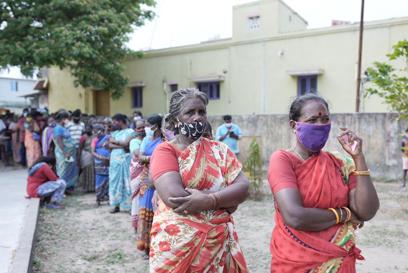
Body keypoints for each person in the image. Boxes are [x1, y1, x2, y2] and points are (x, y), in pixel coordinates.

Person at [267, 94, 380, 272]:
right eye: (312, 120)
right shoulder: (282, 160)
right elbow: (295, 216)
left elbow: (366, 211)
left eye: (325, 119)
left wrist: (359, 158)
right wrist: (346, 214)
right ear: (293, 125)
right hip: (295, 261)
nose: (320, 125)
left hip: (339, 261)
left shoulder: (340, 163)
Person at [149, 88, 249, 272]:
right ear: (174, 120)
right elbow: (174, 197)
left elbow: (243, 188)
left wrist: (212, 199)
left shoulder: (220, 149)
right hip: (177, 245)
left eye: (201, 112)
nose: (197, 117)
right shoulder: (166, 151)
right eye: (190, 112)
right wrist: (226, 201)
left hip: (218, 245)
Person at [135, 114, 163, 258]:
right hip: (146, 179)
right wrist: (153, 158)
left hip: (159, 179)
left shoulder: (163, 142)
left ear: (156, 126)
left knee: (156, 212)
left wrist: (148, 159)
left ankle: (155, 246)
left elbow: (164, 157)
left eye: (148, 125)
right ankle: (145, 246)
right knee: (144, 212)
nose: (146, 128)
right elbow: (139, 157)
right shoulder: (146, 140)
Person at [108, 114, 136, 213]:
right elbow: (109, 145)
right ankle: (115, 205)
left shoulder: (131, 132)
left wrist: (115, 142)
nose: (113, 124)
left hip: (125, 160)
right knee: (114, 182)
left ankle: (128, 206)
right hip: (114, 161)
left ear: (120, 121)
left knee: (126, 182)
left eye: (115, 122)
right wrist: (120, 144)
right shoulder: (115, 132)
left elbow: (126, 144)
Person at [53, 111, 79, 193]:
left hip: (69, 152)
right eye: (68, 118)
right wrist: (64, 152)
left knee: (70, 167)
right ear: (63, 119)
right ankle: (62, 187)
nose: (69, 120)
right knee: (63, 168)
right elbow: (59, 141)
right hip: (64, 153)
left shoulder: (64, 127)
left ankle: (69, 186)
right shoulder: (58, 128)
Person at [129, 119, 146, 231]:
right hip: (136, 171)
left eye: (143, 127)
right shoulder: (134, 142)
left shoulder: (148, 140)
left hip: (147, 171)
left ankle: (145, 224)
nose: (141, 130)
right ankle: (136, 225)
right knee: (136, 197)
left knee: (146, 197)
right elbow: (137, 154)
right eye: (139, 128)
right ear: (135, 129)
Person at [91, 124, 110, 205]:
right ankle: (98, 198)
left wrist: (108, 158)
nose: (95, 132)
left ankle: (107, 197)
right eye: (94, 130)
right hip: (99, 162)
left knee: (109, 179)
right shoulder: (94, 140)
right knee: (99, 179)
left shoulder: (108, 138)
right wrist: (101, 158)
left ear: (101, 130)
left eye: (96, 130)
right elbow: (93, 151)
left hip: (108, 162)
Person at [78, 126, 95, 192]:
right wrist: (78, 158)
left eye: (89, 129)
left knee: (92, 171)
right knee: (86, 170)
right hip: (85, 154)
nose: (88, 130)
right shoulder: (83, 137)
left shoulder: (94, 136)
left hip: (93, 154)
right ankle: (86, 187)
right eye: (86, 129)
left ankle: (92, 187)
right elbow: (80, 148)